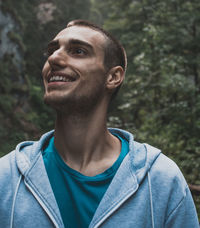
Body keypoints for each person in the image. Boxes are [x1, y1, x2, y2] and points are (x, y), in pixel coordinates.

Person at [0, 19, 199, 228]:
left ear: (113, 77)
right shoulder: (6, 178)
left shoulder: (161, 180)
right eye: (52, 50)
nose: (54, 58)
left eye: (78, 51)